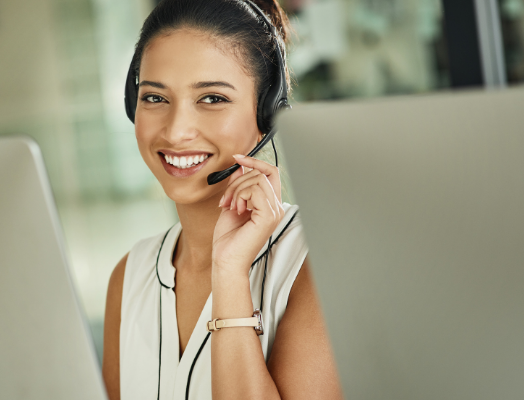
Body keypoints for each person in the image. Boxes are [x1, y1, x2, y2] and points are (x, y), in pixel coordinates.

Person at [102, 1, 343, 399]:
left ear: (267, 113)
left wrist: (230, 274)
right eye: (155, 98)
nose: (176, 132)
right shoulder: (129, 278)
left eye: (212, 98)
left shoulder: (317, 265)